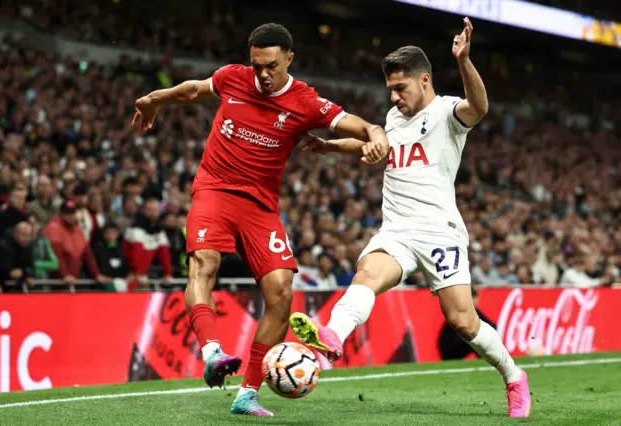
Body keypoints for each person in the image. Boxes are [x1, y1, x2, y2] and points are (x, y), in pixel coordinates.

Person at [132, 22, 389, 416]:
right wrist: (153, 99)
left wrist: (375, 135)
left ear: (289, 59)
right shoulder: (234, 78)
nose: (263, 75)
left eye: (271, 65)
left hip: (260, 206)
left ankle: (247, 394)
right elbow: (194, 90)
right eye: (257, 66)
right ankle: (213, 353)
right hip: (214, 190)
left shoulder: (305, 101)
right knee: (204, 262)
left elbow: (356, 124)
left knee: (281, 292)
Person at [289, 18, 531, 419]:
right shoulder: (394, 117)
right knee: (367, 273)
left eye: (401, 88)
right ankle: (332, 336)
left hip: (440, 232)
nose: (395, 96)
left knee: (463, 323)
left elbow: (480, 108)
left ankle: (513, 376)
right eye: (390, 89)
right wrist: (333, 148)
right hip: (397, 231)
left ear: (424, 80)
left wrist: (465, 61)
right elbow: (377, 142)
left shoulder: (446, 112)